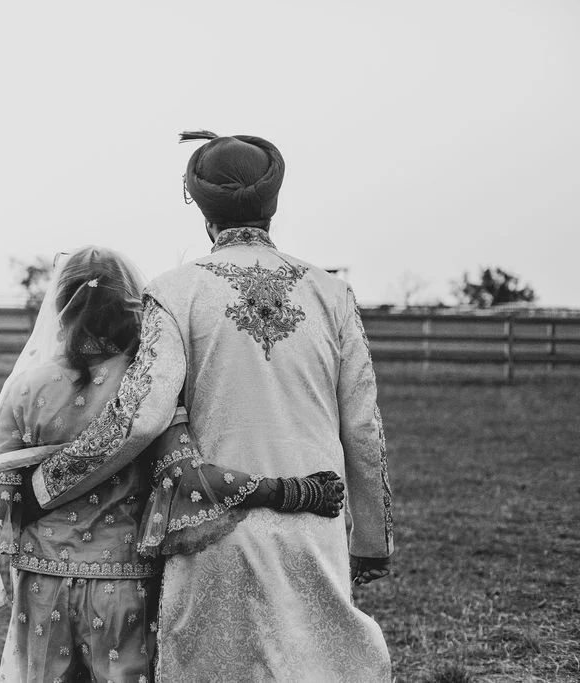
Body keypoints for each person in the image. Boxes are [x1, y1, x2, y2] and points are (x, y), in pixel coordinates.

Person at [33, 132, 393, 681]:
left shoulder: (176, 291)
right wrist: (369, 539)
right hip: (315, 523)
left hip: (214, 530)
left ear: (203, 213)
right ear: (273, 205)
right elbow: (362, 427)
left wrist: (49, 482)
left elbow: (142, 414)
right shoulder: (332, 293)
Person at [0, 246, 346, 682]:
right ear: (132, 306)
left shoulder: (27, 387)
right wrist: (293, 490)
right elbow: (189, 477)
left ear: (59, 308)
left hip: (40, 582)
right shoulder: (149, 386)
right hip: (121, 585)